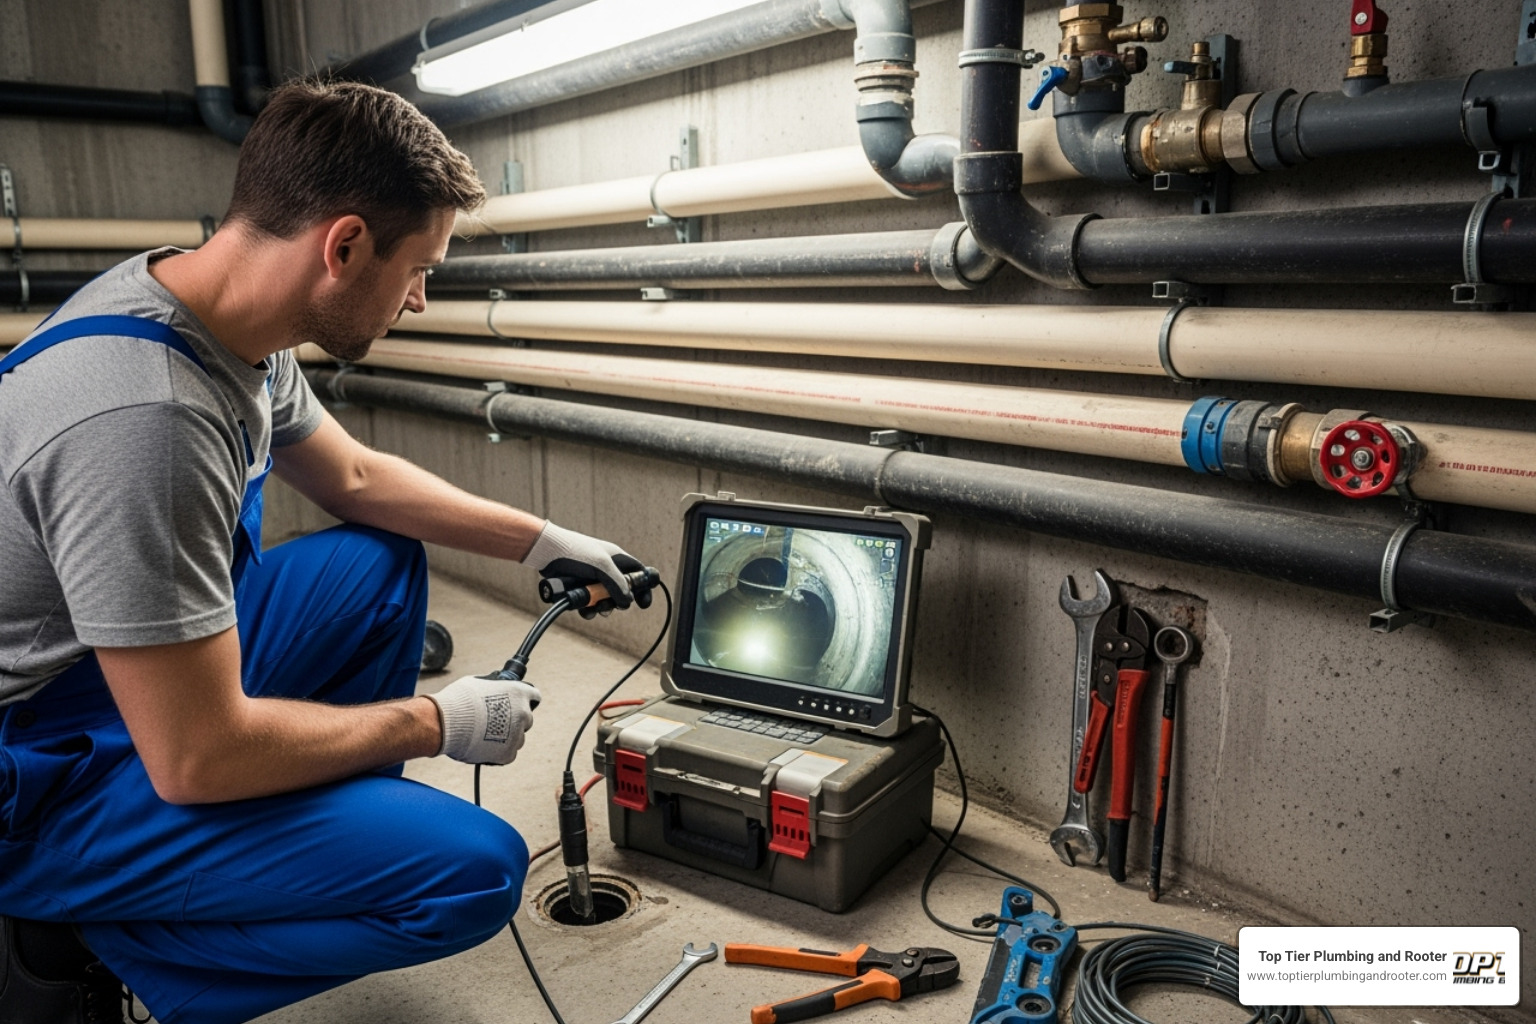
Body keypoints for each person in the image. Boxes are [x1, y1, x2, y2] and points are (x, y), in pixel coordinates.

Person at [0, 79, 642, 1024]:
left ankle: (274, 835)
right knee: (475, 873)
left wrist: (544, 538)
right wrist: (437, 722)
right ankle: (108, 929)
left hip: (120, 674)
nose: (419, 299)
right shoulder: (150, 423)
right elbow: (194, 756)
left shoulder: (220, 310)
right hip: (46, 771)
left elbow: (358, 480)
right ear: (343, 246)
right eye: (418, 268)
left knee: (376, 568)